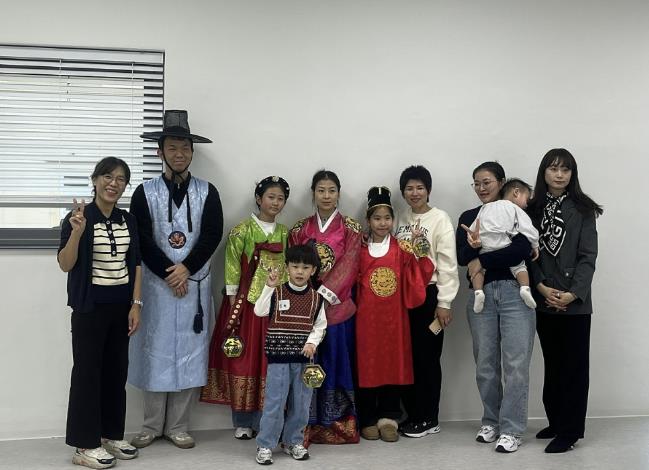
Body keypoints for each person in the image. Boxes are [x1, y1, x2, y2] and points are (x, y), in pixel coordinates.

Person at [128, 110, 223, 449]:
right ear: (160, 151)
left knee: (191, 353)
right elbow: (140, 239)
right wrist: (171, 272)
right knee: (154, 351)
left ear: (192, 152)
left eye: (185, 147)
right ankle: (151, 425)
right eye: (172, 147)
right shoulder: (144, 193)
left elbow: (211, 235)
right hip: (157, 286)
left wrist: (187, 268)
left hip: (193, 285)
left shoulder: (207, 192)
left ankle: (179, 426)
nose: (179, 153)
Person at [58, 157, 142, 469]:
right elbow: (65, 264)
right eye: (107, 176)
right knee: (87, 375)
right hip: (89, 308)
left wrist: (136, 304)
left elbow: (136, 263)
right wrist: (77, 233)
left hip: (121, 307)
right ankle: (84, 445)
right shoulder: (78, 218)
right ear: (95, 180)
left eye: (121, 179)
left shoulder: (127, 219)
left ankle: (110, 434)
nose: (113, 183)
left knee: (116, 373)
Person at [201, 176, 290, 440]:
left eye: (280, 198)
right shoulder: (241, 231)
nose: (275, 202)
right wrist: (232, 304)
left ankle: (267, 420)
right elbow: (231, 267)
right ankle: (242, 421)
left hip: (275, 306)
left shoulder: (285, 233)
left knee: (270, 362)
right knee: (244, 360)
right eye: (271, 197)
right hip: (246, 306)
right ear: (259, 198)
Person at [456, 162, 535, 453]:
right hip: (482, 294)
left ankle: (512, 429)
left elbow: (522, 249)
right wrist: (475, 249)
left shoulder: (512, 210)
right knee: (485, 365)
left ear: (501, 182)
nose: (481, 188)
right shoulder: (468, 217)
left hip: (515, 292)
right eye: (476, 183)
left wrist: (482, 259)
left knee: (516, 365)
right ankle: (491, 421)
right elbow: (463, 256)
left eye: (487, 181)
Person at [527, 148, 602, 453]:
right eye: (553, 168)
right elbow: (528, 252)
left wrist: (572, 293)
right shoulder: (532, 208)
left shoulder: (583, 209)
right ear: (544, 172)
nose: (559, 175)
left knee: (574, 368)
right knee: (553, 364)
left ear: (572, 174)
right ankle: (556, 421)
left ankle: (570, 431)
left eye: (565, 169)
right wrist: (541, 287)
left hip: (576, 302)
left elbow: (588, 256)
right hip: (544, 297)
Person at [356, 186, 434, 443]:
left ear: (393, 219)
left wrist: (419, 248)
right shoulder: (359, 249)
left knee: (392, 364)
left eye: (387, 218)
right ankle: (367, 418)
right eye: (377, 218)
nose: (382, 223)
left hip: (394, 320)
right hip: (366, 320)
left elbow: (420, 274)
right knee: (367, 365)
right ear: (368, 220)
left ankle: (388, 417)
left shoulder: (402, 248)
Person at [289, 170, 361, 444]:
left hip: (337, 309)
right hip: (304, 308)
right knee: (306, 363)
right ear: (313, 193)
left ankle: (336, 423)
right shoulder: (299, 229)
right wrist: (307, 296)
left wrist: (324, 295)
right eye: (321, 190)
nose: (326, 196)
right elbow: (293, 265)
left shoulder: (351, 228)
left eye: (331, 190)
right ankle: (303, 424)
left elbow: (351, 263)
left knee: (334, 360)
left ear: (338, 193)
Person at [394, 165, 459, 438]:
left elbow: (448, 263)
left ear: (428, 190)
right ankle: (412, 415)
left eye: (420, 187)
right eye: (409, 188)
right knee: (406, 357)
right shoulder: (400, 217)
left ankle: (429, 418)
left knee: (427, 358)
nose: (415, 193)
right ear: (403, 192)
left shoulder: (440, 219)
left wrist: (444, 302)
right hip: (401, 297)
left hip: (429, 295)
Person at [253, 244, 328, 465]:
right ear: (287, 267)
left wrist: (312, 343)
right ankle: (265, 444)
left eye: (305, 267)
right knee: (274, 403)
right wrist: (268, 286)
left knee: (301, 404)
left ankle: (293, 441)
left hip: (303, 361)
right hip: (278, 359)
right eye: (295, 266)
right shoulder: (276, 292)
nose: (299, 271)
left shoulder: (316, 298)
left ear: (313, 270)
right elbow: (259, 310)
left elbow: (320, 326)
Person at [463, 178, 539, 313]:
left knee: (477, 270)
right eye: (526, 199)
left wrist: (473, 240)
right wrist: (535, 244)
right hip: (505, 243)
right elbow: (528, 229)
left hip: (485, 245)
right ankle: (525, 288)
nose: (527, 204)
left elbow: (475, 227)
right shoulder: (515, 209)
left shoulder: (485, 207)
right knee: (520, 267)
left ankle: (478, 292)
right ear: (516, 192)